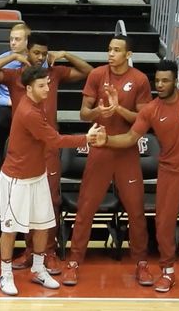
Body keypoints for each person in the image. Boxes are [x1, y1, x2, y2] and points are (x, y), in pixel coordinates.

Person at [0, 33, 93, 275]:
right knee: (22, 205)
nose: (40, 57)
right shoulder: (15, 75)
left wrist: (64, 54)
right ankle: (29, 252)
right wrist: (12, 56)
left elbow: (88, 71)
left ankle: (47, 253)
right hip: (24, 147)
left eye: (44, 53)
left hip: (49, 147)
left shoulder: (53, 73)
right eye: (36, 53)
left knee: (49, 201)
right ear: (27, 51)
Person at [98, 59, 179, 298]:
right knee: (163, 226)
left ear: (175, 80)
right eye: (157, 80)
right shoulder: (150, 110)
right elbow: (129, 138)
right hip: (168, 173)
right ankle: (167, 272)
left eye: (165, 80)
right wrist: (106, 140)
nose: (160, 84)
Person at [0, 65, 103, 296]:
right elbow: (53, 140)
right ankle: (5, 273)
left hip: (37, 175)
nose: (48, 88)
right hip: (17, 178)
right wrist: (86, 138)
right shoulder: (28, 112)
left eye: (48, 83)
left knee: (43, 224)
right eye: (42, 85)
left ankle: (38, 269)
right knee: (10, 228)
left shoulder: (38, 105)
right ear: (28, 88)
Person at [62, 34, 153, 287]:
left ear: (128, 54)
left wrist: (119, 109)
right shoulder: (97, 75)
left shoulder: (140, 80)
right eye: (109, 49)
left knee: (136, 210)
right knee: (86, 208)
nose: (111, 54)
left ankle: (141, 263)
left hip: (126, 150)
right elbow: (83, 114)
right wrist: (98, 112)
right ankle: (74, 262)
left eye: (116, 50)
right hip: (100, 149)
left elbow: (143, 119)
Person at [0, 23, 38, 153]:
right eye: (11, 39)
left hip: (31, 106)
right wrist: (6, 101)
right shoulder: (0, 60)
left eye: (17, 39)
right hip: (7, 105)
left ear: (28, 41)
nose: (13, 43)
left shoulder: (37, 60)